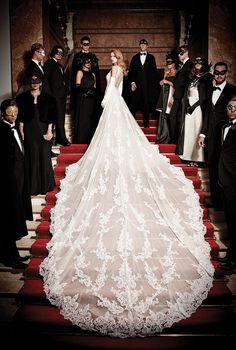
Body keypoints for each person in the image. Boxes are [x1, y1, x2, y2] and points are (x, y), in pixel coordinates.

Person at [40, 48, 213, 338]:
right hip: (114, 107)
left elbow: (113, 90)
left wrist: (107, 104)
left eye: (112, 54)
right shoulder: (119, 68)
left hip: (113, 106)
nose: (109, 57)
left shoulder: (119, 70)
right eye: (109, 54)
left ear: (117, 57)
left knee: (113, 138)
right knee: (110, 140)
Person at [198, 62, 236, 210]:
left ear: (226, 73)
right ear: (213, 73)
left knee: (225, 169)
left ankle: (228, 201)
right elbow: (208, 113)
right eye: (217, 72)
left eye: (222, 72)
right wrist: (202, 133)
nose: (219, 75)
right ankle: (216, 201)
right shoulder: (210, 90)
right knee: (212, 168)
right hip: (212, 136)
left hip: (227, 136)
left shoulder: (233, 90)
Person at [0, 98, 33, 268]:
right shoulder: (2, 131)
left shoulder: (15, 129)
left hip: (18, 181)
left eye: (15, 112)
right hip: (8, 183)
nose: (13, 115)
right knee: (8, 220)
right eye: (9, 113)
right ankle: (10, 257)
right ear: (3, 113)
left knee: (13, 219)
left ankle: (13, 255)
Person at [16, 74, 56, 195]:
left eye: (37, 81)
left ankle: (45, 185)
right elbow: (20, 117)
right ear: (29, 83)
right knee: (31, 156)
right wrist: (21, 131)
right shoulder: (22, 98)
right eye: (32, 81)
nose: (34, 83)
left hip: (43, 129)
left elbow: (51, 116)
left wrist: (50, 131)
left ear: (41, 83)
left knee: (44, 155)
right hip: (29, 129)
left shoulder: (48, 98)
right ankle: (32, 187)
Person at [176, 57, 212, 166]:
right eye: (196, 61)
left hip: (199, 108)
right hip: (189, 107)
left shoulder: (207, 77)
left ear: (203, 64)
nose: (197, 63)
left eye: (200, 61)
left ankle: (199, 158)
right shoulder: (191, 77)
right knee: (189, 131)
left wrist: (195, 105)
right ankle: (189, 156)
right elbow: (187, 92)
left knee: (197, 130)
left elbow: (206, 96)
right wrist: (186, 103)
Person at [215, 96, 236, 271]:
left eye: (235, 107)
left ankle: (232, 259)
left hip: (234, 180)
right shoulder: (222, 126)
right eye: (229, 107)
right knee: (230, 220)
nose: (231, 110)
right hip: (225, 180)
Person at [44, 45, 71, 147]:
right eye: (57, 52)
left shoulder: (59, 65)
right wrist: (49, 96)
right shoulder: (49, 64)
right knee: (56, 118)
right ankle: (61, 139)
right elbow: (46, 81)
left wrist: (66, 90)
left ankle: (60, 138)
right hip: (53, 96)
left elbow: (63, 79)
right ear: (53, 52)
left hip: (61, 96)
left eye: (61, 53)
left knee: (61, 118)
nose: (59, 55)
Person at [128, 39, 158, 128]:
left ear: (147, 46)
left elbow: (153, 73)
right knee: (133, 104)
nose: (143, 46)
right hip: (136, 85)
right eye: (141, 44)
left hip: (147, 86)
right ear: (139, 46)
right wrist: (132, 82)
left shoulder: (151, 58)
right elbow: (132, 72)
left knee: (146, 105)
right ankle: (132, 125)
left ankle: (146, 125)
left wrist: (152, 87)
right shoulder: (135, 57)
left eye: (144, 45)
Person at [168, 45, 193, 143]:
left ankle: (177, 140)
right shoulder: (183, 65)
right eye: (178, 53)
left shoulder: (190, 65)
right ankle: (174, 139)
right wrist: (173, 96)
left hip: (183, 96)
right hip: (177, 96)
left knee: (178, 118)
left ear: (187, 52)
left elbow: (188, 82)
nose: (179, 54)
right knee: (173, 117)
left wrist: (184, 97)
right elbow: (178, 82)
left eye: (181, 52)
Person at [73, 57, 97, 144]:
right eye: (86, 61)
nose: (88, 63)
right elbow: (77, 85)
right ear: (82, 62)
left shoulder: (93, 74)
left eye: (90, 62)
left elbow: (95, 87)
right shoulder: (80, 72)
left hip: (91, 99)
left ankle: (89, 139)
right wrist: (86, 91)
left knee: (90, 118)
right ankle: (81, 139)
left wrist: (92, 93)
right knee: (83, 118)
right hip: (83, 98)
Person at [156, 53, 178, 143]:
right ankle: (163, 136)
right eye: (167, 63)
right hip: (164, 95)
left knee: (170, 116)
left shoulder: (177, 73)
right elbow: (162, 84)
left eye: (170, 63)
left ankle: (171, 137)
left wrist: (167, 82)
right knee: (163, 115)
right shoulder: (166, 73)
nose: (168, 65)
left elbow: (177, 86)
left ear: (174, 63)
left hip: (172, 95)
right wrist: (162, 82)